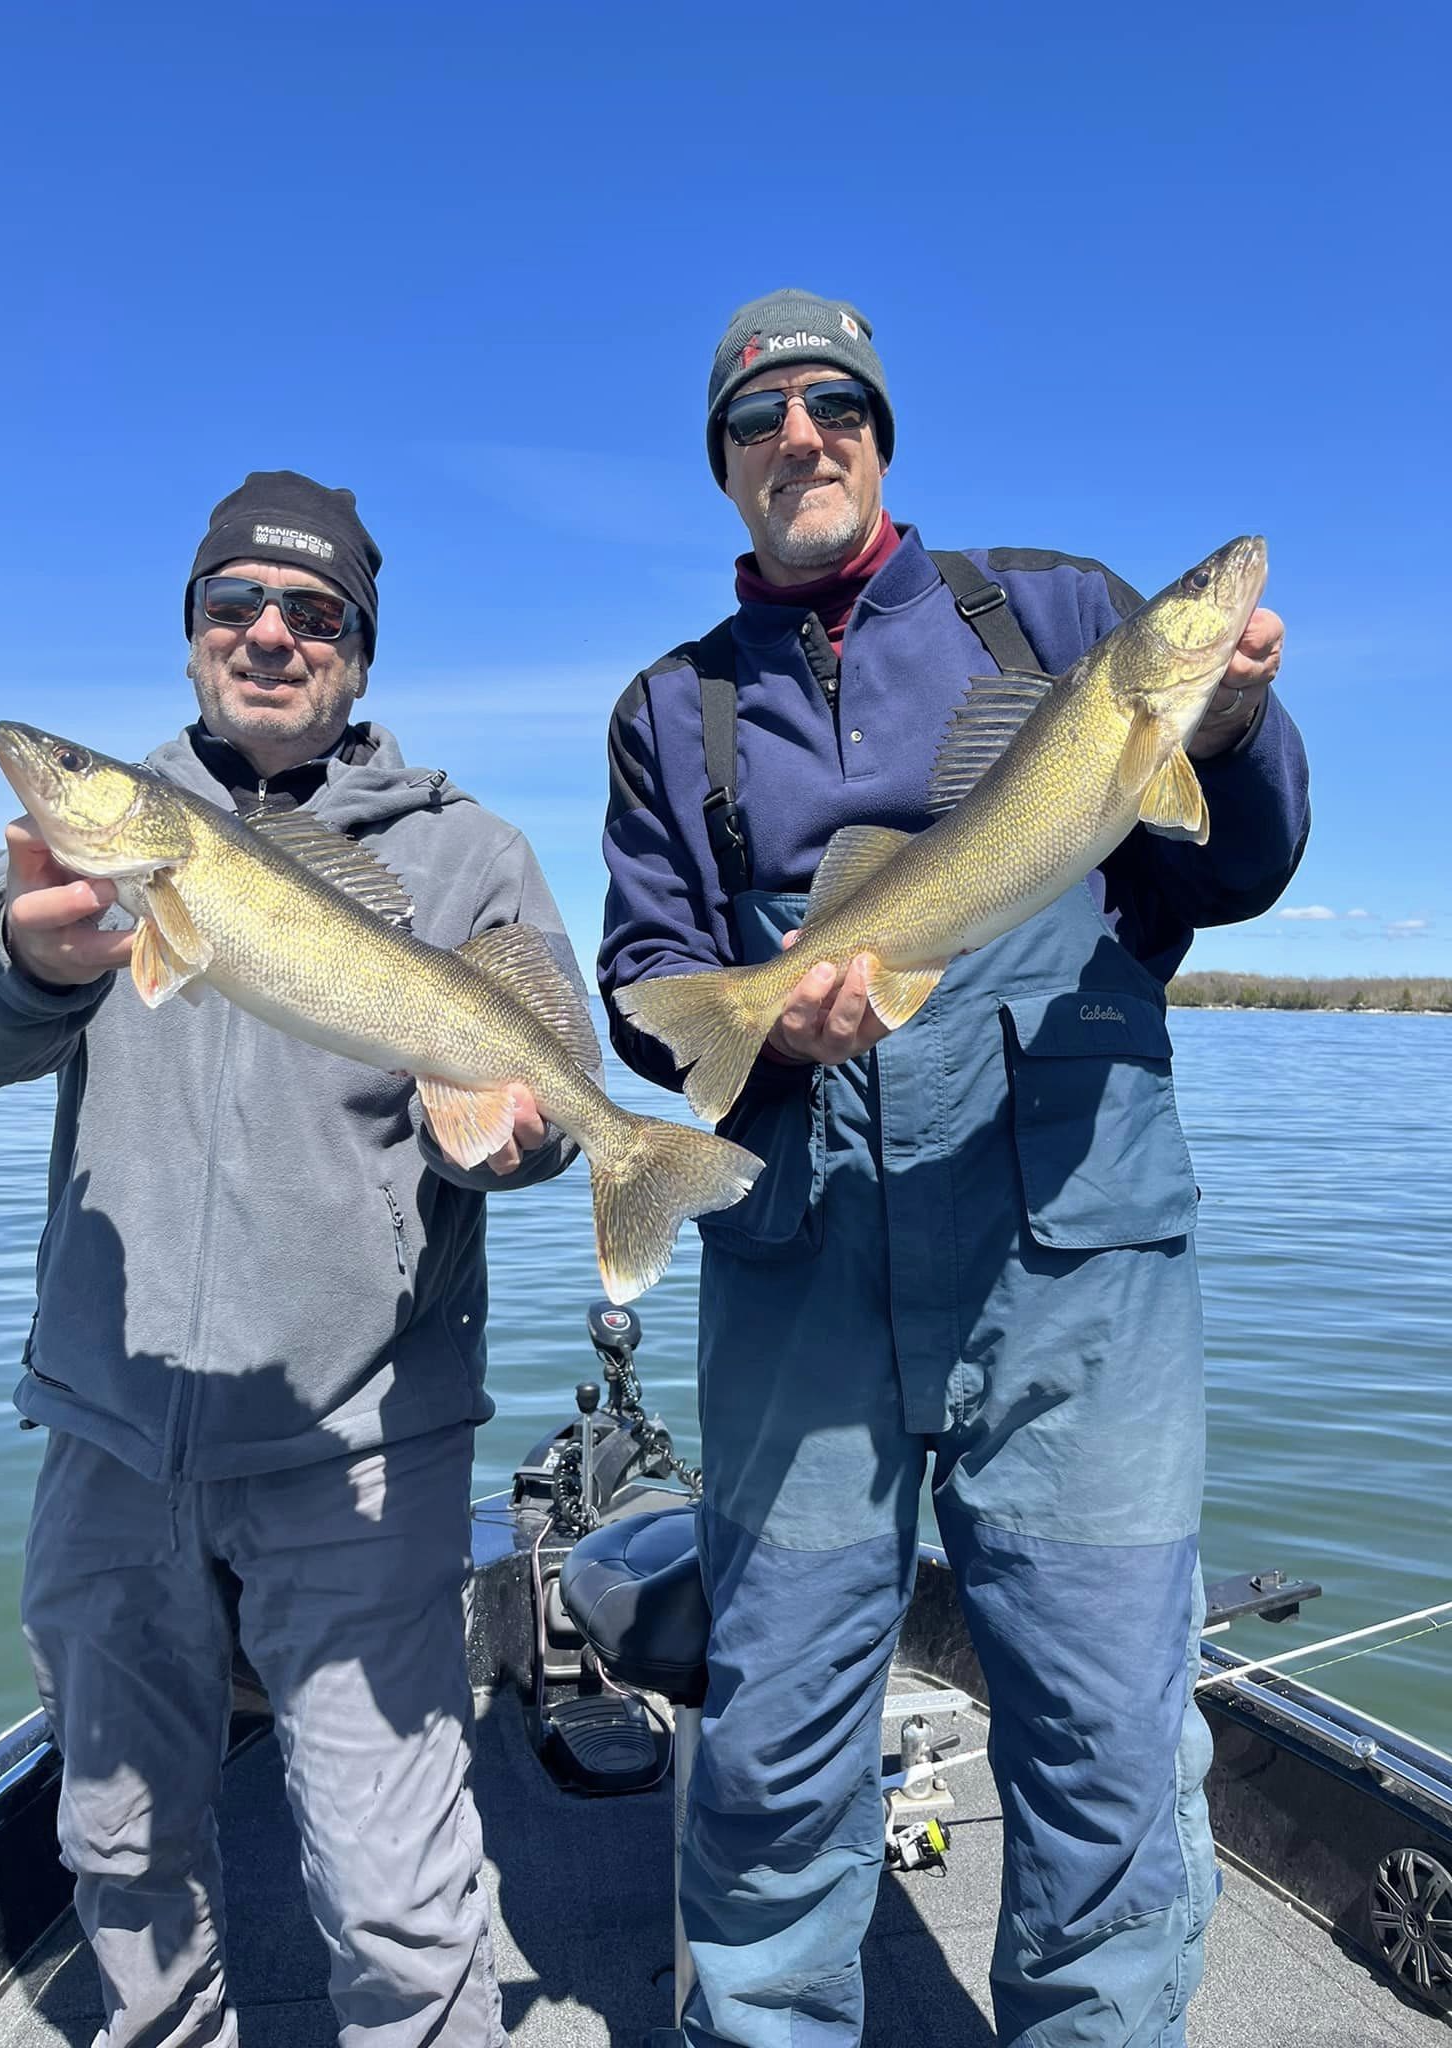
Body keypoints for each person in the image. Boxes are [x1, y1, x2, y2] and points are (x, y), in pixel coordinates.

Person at [598, 290, 1309, 2048]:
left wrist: (1222, 737)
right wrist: (766, 1036)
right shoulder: (668, 711)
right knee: (771, 1730)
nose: (800, 439)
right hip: (802, 1260)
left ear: (881, 432)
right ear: (724, 467)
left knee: (1108, 1729)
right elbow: (648, 990)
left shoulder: (1061, 615)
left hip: (1076, 1264)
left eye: (834, 406)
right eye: (759, 421)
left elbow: (1224, 882)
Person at [0, 471, 581, 2048]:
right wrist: (24, 955)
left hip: (360, 1452)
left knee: (398, 1901)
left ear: (359, 650)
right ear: (195, 631)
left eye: (314, 613)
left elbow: (545, 1079)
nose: (271, 635)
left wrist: (530, 1131)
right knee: (122, 1866)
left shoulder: (470, 852)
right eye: (236, 606)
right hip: (107, 1440)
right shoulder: (95, 839)